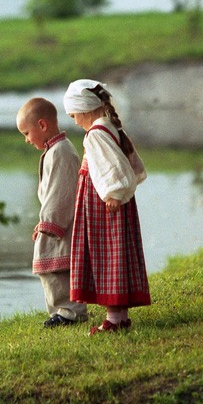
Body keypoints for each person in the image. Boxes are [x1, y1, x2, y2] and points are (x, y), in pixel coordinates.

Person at [63, 79, 151, 335]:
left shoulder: (96, 134)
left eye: (74, 115)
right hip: (114, 200)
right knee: (116, 253)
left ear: (85, 110)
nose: (75, 121)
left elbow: (114, 166)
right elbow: (130, 162)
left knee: (106, 255)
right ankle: (119, 317)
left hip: (103, 205)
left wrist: (113, 192)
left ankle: (113, 319)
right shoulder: (110, 127)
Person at [16, 97, 88, 328]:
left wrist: (50, 223)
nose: (26, 140)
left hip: (62, 224)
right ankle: (61, 310)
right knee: (51, 266)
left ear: (42, 125)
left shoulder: (61, 152)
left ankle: (70, 312)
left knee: (58, 267)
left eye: (27, 133)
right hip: (54, 221)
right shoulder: (54, 150)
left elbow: (62, 191)